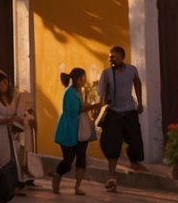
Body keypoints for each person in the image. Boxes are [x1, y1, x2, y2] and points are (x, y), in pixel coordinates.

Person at [97, 45, 147, 192]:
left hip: (129, 109)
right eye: (110, 57)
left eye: (114, 57)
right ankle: (112, 176)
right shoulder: (106, 73)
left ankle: (135, 162)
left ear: (122, 57)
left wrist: (139, 102)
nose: (111, 59)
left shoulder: (131, 70)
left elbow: (137, 83)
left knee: (135, 138)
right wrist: (103, 101)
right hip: (114, 112)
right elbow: (101, 90)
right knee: (112, 144)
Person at [53, 67, 98, 194]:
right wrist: (94, 106)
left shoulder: (79, 91)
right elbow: (76, 110)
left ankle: (77, 186)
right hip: (70, 130)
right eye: (84, 78)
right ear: (78, 79)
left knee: (81, 158)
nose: (85, 80)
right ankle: (57, 175)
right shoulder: (69, 92)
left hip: (81, 129)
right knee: (68, 160)